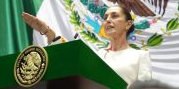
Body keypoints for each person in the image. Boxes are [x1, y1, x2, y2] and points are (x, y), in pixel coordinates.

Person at [22, 5, 152, 88]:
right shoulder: (99, 55)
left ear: (128, 24)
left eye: (115, 16)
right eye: (105, 17)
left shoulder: (140, 56)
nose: (107, 20)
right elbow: (71, 59)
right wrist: (47, 32)